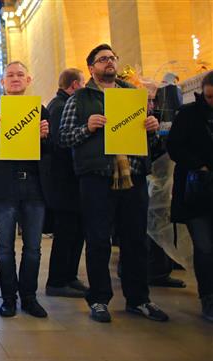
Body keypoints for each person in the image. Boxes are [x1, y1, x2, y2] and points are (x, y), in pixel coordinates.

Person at [59, 44, 169, 323]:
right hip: (97, 178)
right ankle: (99, 299)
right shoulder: (80, 99)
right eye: (102, 59)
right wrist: (88, 127)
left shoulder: (134, 96)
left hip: (132, 175)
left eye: (112, 58)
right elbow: (65, 138)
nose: (109, 62)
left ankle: (139, 298)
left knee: (135, 240)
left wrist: (152, 129)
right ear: (91, 68)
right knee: (98, 241)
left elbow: (150, 145)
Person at [0, 61, 51, 318]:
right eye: (10, 75)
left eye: (20, 75)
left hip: (33, 185)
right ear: (2, 82)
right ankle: (8, 297)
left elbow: (51, 152)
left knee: (33, 247)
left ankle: (29, 296)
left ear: (28, 80)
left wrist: (45, 137)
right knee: (4, 246)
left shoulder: (39, 110)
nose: (15, 78)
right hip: (3, 185)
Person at [167, 70, 213, 322]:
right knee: (204, 247)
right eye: (208, 97)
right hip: (197, 192)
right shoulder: (188, 114)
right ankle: (208, 297)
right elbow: (174, 147)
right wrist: (200, 166)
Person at [44, 68, 89, 298]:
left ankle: (69, 276)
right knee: (66, 232)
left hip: (69, 182)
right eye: (82, 84)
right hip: (65, 182)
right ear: (73, 85)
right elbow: (61, 144)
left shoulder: (59, 104)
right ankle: (58, 280)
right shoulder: (61, 107)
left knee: (75, 231)